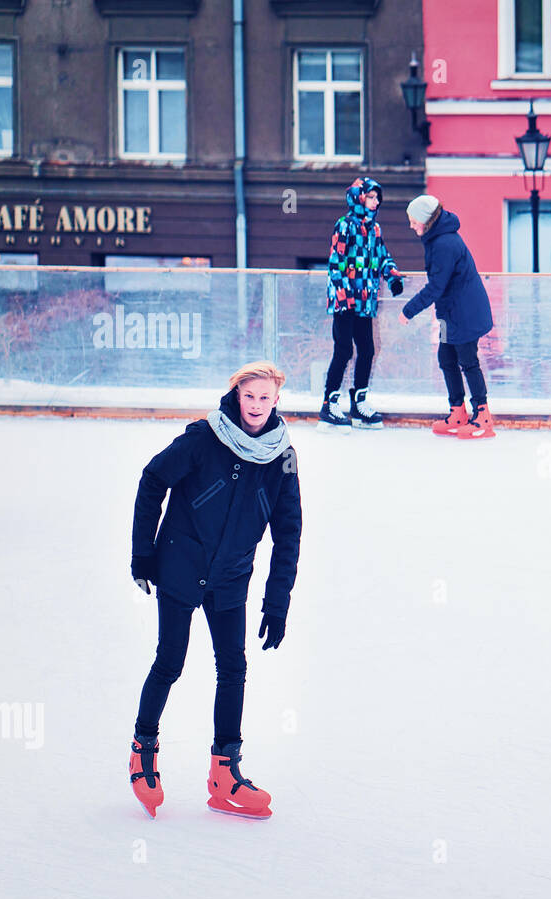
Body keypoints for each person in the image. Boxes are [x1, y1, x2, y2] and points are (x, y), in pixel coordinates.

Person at [128, 362, 302, 819]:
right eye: (250, 397)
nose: (257, 407)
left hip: (229, 577)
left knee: (233, 668)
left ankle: (225, 772)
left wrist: (277, 601)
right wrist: (143, 555)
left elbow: (289, 532)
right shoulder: (206, 437)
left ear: (277, 400)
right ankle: (142, 750)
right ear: (236, 396)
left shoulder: (283, 456)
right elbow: (152, 479)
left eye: (266, 398)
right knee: (170, 661)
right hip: (181, 567)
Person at [398, 194, 497, 439]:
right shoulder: (435, 238)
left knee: (467, 361)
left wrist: (408, 310)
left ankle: (483, 416)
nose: (411, 226)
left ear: (425, 220)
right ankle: (458, 412)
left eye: (413, 221)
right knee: (446, 358)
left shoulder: (444, 244)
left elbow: (436, 287)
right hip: (449, 314)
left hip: (465, 314)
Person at [322, 177, 403, 429]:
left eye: (377, 197)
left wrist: (392, 277)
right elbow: (336, 264)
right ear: (359, 197)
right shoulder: (344, 226)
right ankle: (329, 403)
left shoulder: (375, 229)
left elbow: (382, 257)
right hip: (345, 301)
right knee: (344, 350)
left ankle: (359, 403)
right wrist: (343, 297)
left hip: (365, 302)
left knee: (367, 350)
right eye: (371, 196)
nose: (376, 201)